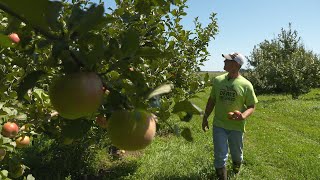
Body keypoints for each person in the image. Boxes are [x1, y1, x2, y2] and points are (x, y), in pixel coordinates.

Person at [202, 52, 258, 180]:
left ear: (236, 64)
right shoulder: (218, 80)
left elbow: (251, 106)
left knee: (236, 154)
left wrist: (243, 116)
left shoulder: (246, 85)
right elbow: (212, 100)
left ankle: (236, 171)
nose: (224, 62)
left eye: (227, 61)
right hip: (219, 124)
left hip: (236, 127)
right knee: (220, 155)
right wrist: (205, 117)